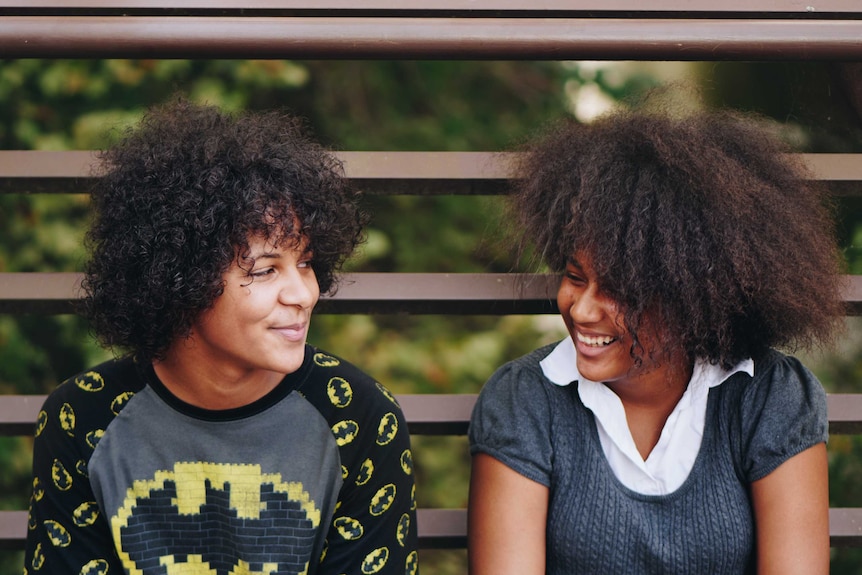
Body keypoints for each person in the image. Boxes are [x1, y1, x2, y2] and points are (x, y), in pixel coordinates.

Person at [25, 99, 419, 575]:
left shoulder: (358, 416)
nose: (303, 294)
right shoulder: (82, 418)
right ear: (180, 276)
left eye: (307, 262)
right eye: (266, 269)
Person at [468, 103, 845, 574]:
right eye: (575, 277)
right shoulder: (526, 399)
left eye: (622, 291)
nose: (582, 310)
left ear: (694, 294)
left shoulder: (768, 396)